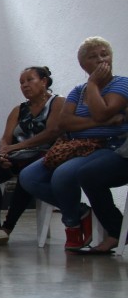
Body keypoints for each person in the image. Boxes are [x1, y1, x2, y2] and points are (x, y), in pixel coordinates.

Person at [20, 36, 128, 251]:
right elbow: (64, 122)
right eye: (93, 57)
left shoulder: (121, 83)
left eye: (104, 55)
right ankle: (80, 214)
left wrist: (94, 84)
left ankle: (72, 226)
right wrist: (102, 119)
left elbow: (101, 110)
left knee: (64, 175)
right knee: (29, 176)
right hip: (74, 146)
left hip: (106, 146)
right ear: (82, 64)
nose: (100, 60)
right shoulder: (78, 91)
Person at [0, 66, 64, 246]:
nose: (25, 85)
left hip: (46, 156)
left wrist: (18, 146)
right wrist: (2, 154)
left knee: (27, 173)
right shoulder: (19, 110)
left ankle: (7, 227)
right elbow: (5, 139)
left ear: (44, 81)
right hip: (18, 156)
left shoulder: (58, 103)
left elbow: (52, 132)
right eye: (21, 82)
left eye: (30, 80)